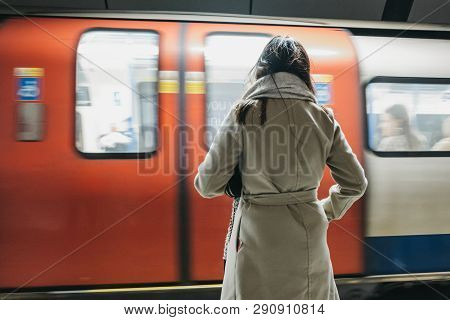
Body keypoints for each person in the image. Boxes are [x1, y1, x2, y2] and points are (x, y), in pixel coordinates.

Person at [194, 35, 368, 300]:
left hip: (256, 239)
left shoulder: (243, 113)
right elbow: (356, 183)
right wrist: (326, 210)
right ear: (304, 74)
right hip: (309, 237)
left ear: (262, 70)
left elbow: (207, 186)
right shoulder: (323, 118)